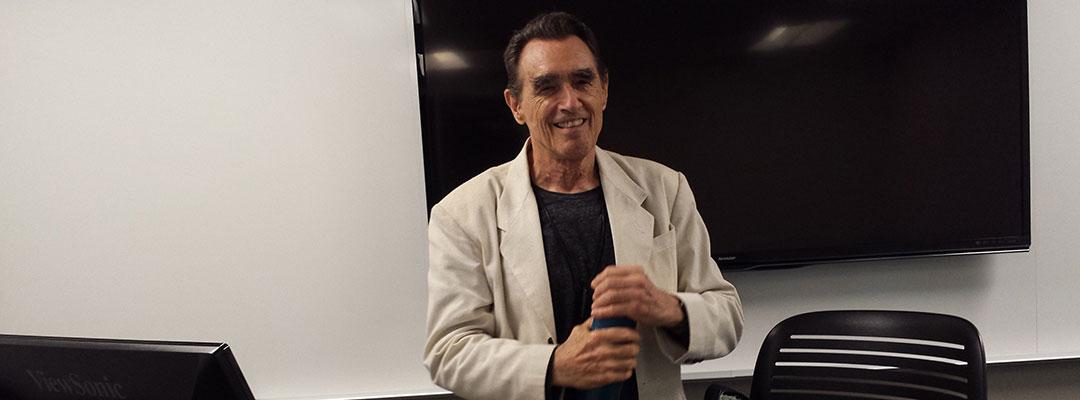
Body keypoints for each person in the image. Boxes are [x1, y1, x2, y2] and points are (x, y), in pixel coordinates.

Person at [424, 11, 743, 400]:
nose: (570, 102)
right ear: (516, 105)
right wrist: (555, 365)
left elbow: (726, 317)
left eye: (582, 81)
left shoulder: (665, 188)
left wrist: (668, 307)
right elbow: (448, 352)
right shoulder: (461, 214)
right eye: (546, 87)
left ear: (603, 89)